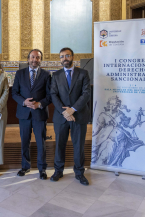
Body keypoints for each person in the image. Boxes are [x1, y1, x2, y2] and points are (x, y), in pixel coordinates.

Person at [50, 47, 91, 186]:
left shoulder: (83, 73)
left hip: (78, 116)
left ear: (73, 57)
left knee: (79, 145)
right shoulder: (55, 76)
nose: (64, 58)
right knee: (60, 145)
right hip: (61, 117)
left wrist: (72, 110)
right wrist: (65, 112)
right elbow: (53, 95)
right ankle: (58, 171)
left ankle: (79, 173)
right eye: (62, 56)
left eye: (67, 56)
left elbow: (86, 94)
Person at [12, 49, 52, 180]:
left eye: (38, 57)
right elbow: (14, 93)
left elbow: (49, 95)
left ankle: (42, 169)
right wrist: (24, 102)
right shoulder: (19, 73)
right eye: (32, 57)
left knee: (41, 142)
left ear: (41, 60)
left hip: (39, 114)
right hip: (24, 114)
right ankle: (25, 166)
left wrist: (39, 104)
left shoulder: (46, 75)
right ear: (28, 59)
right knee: (25, 141)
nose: (35, 60)